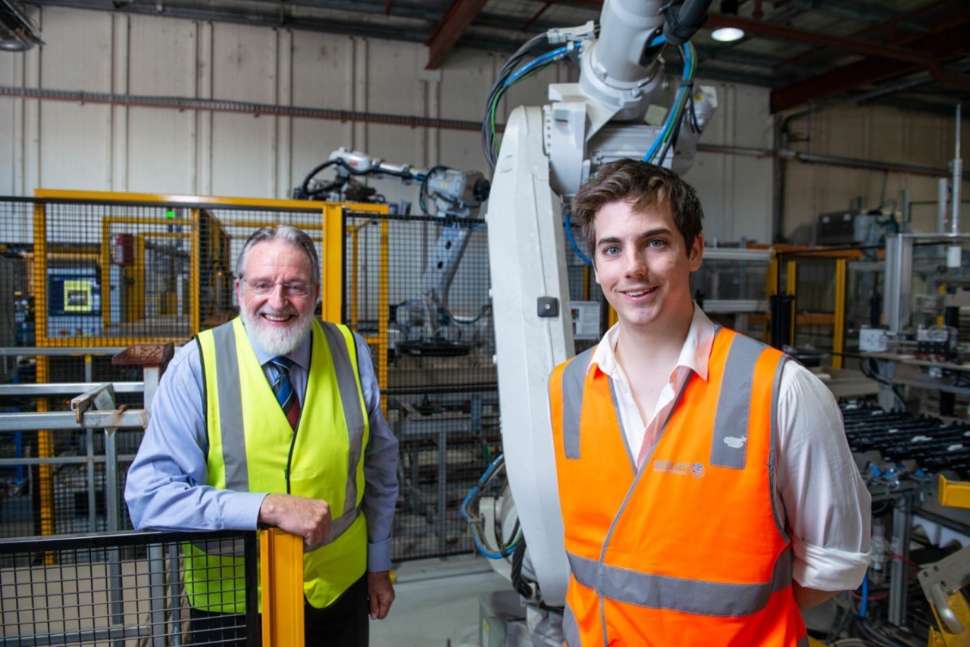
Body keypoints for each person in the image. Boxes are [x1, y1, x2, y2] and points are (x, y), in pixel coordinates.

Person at [548, 160, 870, 646]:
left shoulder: (780, 390)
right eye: (612, 249)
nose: (632, 267)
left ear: (694, 250)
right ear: (596, 266)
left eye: (655, 243)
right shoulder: (567, 386)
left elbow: (833, 564)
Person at [125, 225, 399, 647]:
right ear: (239, 289)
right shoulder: (197, 365)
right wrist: (266, 507)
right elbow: (149, 498)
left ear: (317, 291)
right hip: (232, 604)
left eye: (295, 287)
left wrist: (378, 564)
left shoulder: (350, 349)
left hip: (337, 589)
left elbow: (379, 465)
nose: (277, 301)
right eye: (262, 285)